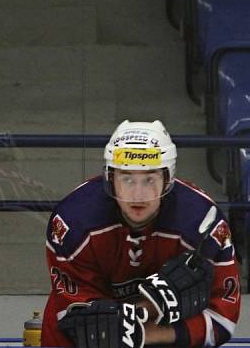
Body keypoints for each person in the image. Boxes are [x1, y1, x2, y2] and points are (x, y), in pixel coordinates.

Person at [42, 120, 240, 347]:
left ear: (168, 179)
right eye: (127, 178)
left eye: (149, 179)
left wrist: (144, 335)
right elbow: (79, 322)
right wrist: (144, 312)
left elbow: (222, 318)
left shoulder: (204, 225)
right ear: (110, 178)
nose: (138, 195)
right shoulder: (73, 223)